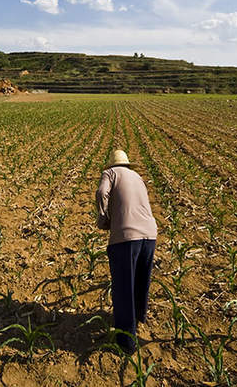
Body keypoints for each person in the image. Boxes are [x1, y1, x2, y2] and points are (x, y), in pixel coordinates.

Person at [95, 149, 158, 354]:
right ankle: (139, 319)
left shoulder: (110, 174)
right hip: (150, 234)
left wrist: (103, 217)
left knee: (123, 287)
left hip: (125, 237)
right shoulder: (137, 176)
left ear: (112, 165)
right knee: (141, 280)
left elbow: (101, 192)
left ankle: (126, 342)